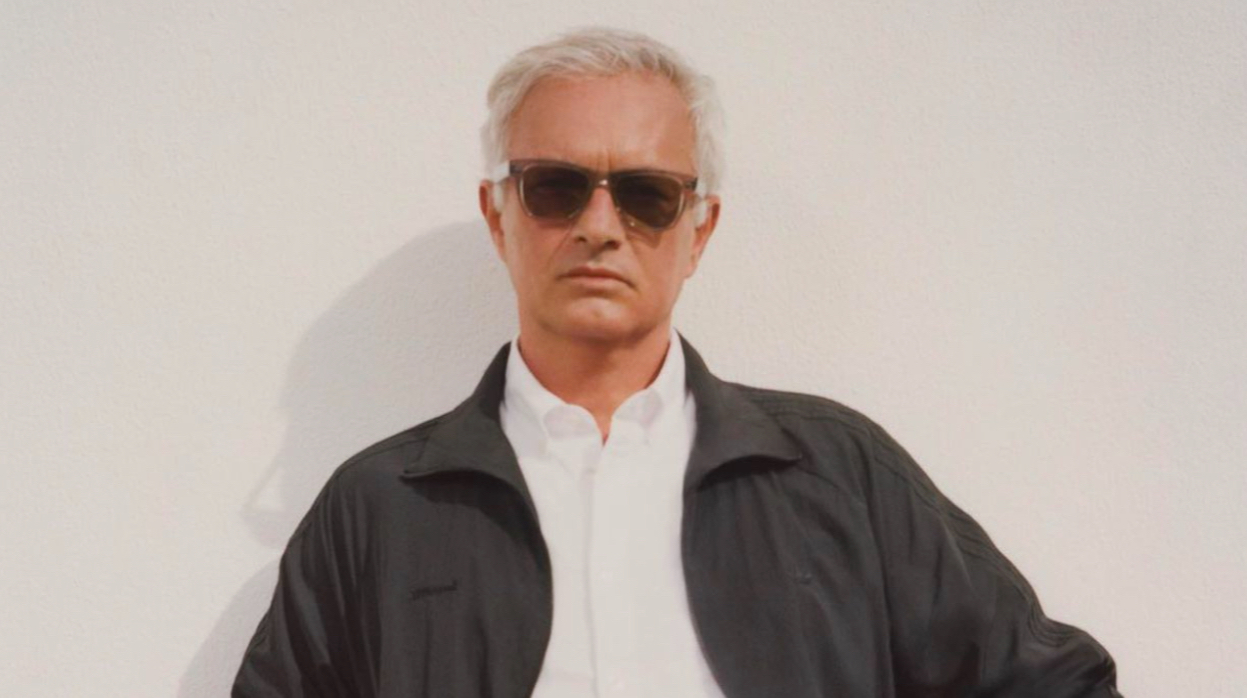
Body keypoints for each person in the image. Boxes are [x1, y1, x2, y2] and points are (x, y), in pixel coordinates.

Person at [233, 27, 1122, 698]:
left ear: (699, 230)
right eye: (555, 187)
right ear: (498, 215)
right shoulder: (379, 508)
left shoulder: (841, 475)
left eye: (647, 194)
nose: (599, 225)